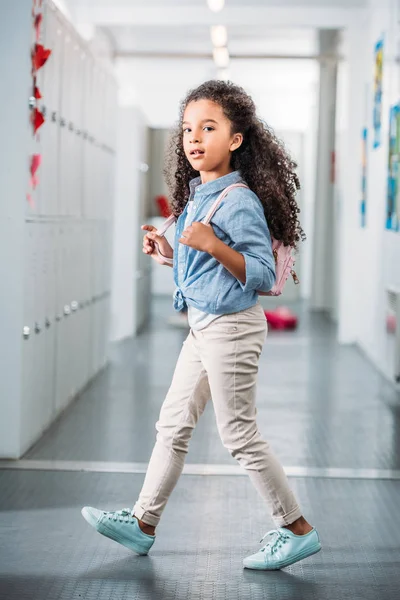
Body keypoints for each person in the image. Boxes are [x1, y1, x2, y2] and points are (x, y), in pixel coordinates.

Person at [81, 80, 321, 570]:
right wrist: (171, 254)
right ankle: (143, 523)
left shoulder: (238, 200)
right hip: (205, 327)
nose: (195, 137)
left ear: (235, 140)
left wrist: (213, 245)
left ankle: (297, 529)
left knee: (239, 435)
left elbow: (258, 273)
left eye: (208, 127)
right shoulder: (198, 194)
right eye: (189, 128)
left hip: (232, 330)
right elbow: (207, 275)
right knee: (172, 425)